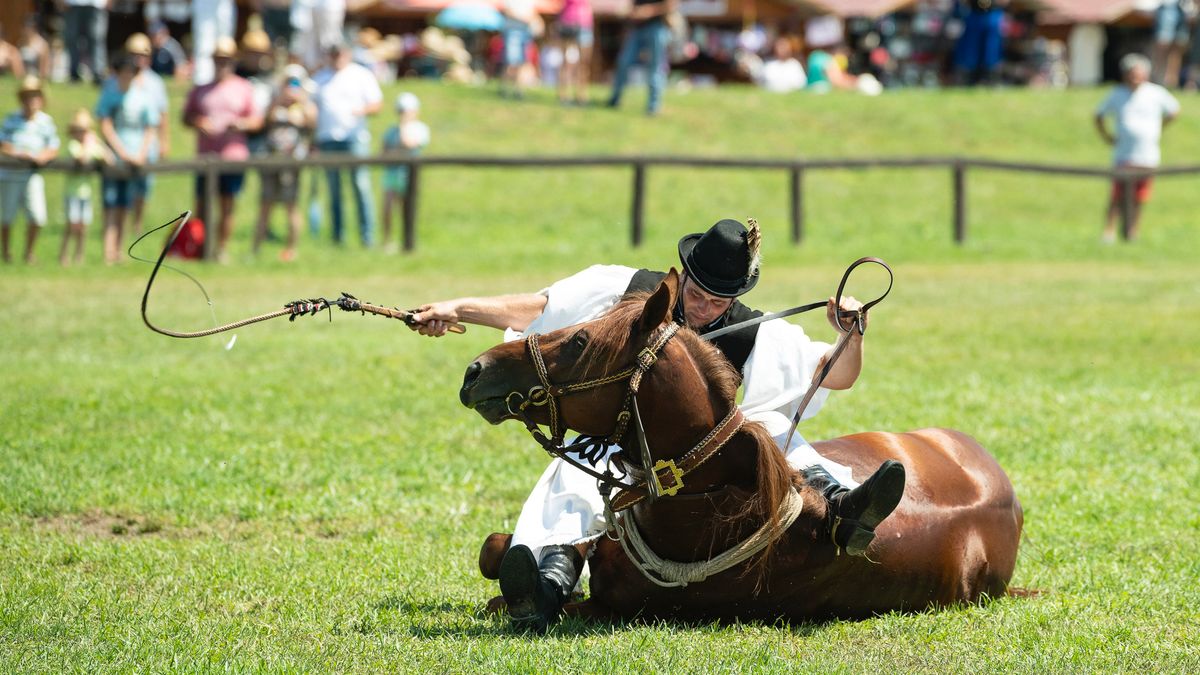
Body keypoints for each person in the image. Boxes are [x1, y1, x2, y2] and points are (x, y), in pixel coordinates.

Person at [411, 219, 907, 630]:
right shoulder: (626, 290)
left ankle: (840, 505)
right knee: (580, 461)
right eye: (698, 293)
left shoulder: (754, 333)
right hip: (619, 445)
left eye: (718, 302)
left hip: (694, 470)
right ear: (683, 272)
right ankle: (544, 581)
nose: (704, 308)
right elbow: (539, 309)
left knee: (770, 421)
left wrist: (852, 334)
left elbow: (834, 375)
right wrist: (459, 308)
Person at [182, 37, 259, 262]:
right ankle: (202, 248)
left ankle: (221, 249)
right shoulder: (201, 89)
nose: (222, 64)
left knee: (227, 204)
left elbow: (256, 119)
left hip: (233, 156)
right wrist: (199, 122)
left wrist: (240, 125)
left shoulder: (243, 87)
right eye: (218, 60)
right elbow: (186, 117)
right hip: (206, 156)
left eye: (226, 60)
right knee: (202, 205)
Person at [1095, 53, 1181, 243]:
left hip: (1147, 156)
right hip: (1123, 155)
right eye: (1132, 74)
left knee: (1140, 197)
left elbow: (1174, 110)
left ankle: (1133, 231)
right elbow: (1098, 115)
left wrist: (1160, 127)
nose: (1135, 78)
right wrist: (1108, 137)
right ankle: (1109, 232)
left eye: (1138, 74)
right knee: (1117, 196)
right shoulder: (1117, 94)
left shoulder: (1155, 93)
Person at [313, 43, 382, 247]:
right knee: (334, 190)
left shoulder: (361, 75)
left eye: (340, 52)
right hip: (327, 140)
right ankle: (337, 237)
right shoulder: (320, 78)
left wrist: (359, 111)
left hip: (355, 138)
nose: (337, 57)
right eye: (333, 53)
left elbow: (377, 104)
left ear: (348, 53)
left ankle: (367, 237)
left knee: (361, 186)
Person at [102, 33, 170, 237]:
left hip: (146, 144)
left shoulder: (155, 82)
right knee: (118, 191)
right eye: (133, 54)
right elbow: (106, 116)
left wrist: (164, 142)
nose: (138, 58)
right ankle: (115, 232)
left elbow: (162, 115)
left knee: (143, 188)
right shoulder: (113, 81)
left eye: (142, 54)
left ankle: (137, 226)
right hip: (121, 143)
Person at [97, 55, 158, 265]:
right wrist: (120, 152)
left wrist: (141, 153)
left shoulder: (143, 98)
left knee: (125, 204)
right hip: (115, 157)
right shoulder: (110, 95)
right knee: (110, 203)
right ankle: (107, 251)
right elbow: (105, 124)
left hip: (135, 157)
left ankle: (119, 250)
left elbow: (150, 128)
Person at [254, 68, 317, 261]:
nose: (291, 87)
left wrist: (301, 101)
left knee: (292, 206)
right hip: (271, 160)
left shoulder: (305, 105)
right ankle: (256, 250)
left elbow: (313, 122)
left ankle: (291, 250)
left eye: (295, 83)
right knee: (265, 205)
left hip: (292, 164)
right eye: (289, 82)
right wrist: (281, 100)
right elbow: (266, 119)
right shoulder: (275, 101)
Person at [0, 76, 59, 264]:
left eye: (34, 96)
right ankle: (6, 252)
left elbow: (53, 146)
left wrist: (41, 157)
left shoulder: (45, 122)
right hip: (10, 175)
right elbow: (3, 144)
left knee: (37, 216)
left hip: (31, 175)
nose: (31, 100)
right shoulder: (11, 119)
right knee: (7, 217)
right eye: (27, 96)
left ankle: (29, 252)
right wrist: (20, 154)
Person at [378, 92, 430, 255]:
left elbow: (408, 143)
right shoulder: (390, 131)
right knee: (387, 208)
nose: (404, 114)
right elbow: (383, 153)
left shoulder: (421, 129)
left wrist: (404, 126)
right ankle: (387, 242)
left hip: (409, 176)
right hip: (392, 174)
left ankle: (406, 242)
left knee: (406, 210)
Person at [607, 0, 678, 116]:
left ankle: (653, 106)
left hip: (657, 27)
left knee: (654, 67)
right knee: (623, 62)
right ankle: (615, 99)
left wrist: (648, 11)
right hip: (638, 27)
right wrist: (630, 11)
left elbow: (671, 4)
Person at [59, 109, 112, 266]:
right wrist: (90, 145)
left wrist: (99, 144)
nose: (82, 134)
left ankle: (79, 255)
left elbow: (108, 159)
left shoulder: (91, 146)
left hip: (85, 194)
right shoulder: (73, 145)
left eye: (85, 130)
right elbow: (82, 159)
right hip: (72, 193)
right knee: (72, 225)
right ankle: (64, 254)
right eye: (79, 130)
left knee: (83, 227)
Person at [556, 0, 594, 105]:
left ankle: (582, 95)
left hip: (585, 24)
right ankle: (564, 95)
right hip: (569, 25)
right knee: (568, 63)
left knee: (584, 63)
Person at [64, 0, 108, 83]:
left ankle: (98, 74)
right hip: (73, 4)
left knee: (96, 39)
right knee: (72, 39)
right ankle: (73, 74)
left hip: (96, 4)